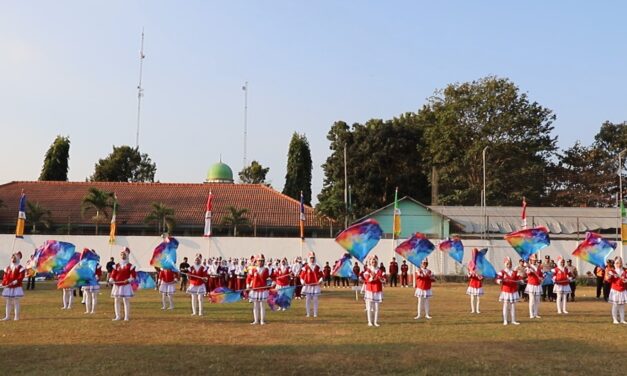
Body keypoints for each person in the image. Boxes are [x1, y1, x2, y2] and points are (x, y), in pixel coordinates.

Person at [108, 247, 137, 321]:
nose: (122, 256)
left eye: (124, 254)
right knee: (116, 300)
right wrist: (111, 279)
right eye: (121, 254)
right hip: (117, 285)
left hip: (125, 285)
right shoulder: (116, 265)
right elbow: (113, 274)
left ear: (127, 255)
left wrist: (128, 280)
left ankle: (126, 316)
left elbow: (133, 276)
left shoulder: (130, 266)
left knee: (126, 300)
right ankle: (118, 316)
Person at [246, 254, 272, 325]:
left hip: (263, 289)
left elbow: (269, 278)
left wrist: (270, 283)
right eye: (259, 261)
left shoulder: (266, 270)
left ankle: (262, 320)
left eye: (262, 261)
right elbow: (248, 278)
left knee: (262, 305)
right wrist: (248, 285)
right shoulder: (253, 270)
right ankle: (256, 320)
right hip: (255, 289)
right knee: (255, 305)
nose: (260, 262)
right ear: (256, 262)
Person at [496, 257, 521, 325]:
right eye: (507, 264)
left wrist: (520, 280)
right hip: (506, 291)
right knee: (506, 305)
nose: (509, 265)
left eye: (510, 264)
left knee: (513, 306)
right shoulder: (502, 272)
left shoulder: (514, 272)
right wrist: (500, 281)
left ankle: (513, 320)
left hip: (513, 290)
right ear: (505, 264)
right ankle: (505, 320)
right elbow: (498, 279)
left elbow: (519, 278)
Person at [2, 252, 25, 321]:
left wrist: (15, 281)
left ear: (18, 258)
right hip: (9, 287)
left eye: (15, 257)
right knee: (8, 302)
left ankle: (16, 317)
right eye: (12, 257)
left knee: (16, 302)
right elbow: (5, 277)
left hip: (16, 287)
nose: (13, 259)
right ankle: (7, 316)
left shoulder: (21, 268)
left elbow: (21, 277)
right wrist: (3, 283)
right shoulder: (8, 268)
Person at [363, 255, 385, 327]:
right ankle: (369, 322)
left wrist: (381, 279)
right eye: (372, 261)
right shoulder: (367, 271)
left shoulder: (380, 270)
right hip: (370, 290)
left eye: (375, 261)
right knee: (369, 307)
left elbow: (384, 279)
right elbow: (367, 280)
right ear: (370, 262)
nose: (374, 262)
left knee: (376, 308)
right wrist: (372, 277)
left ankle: (375, 322)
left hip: (377, 290)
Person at [300, 251, 323, 318]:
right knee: (308, 300)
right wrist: (302, 282)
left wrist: (320, 280)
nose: (312, 259)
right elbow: (301, 276)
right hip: (308, 286)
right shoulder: (306, 267)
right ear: (309, 258)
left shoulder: (317, 267)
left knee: (315, 300)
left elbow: (321, 276)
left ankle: (315, 313)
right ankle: (308, 313)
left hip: (315, 286)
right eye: (311, 258)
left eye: (313, 258)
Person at [606, 256, 627, 324]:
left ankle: (622, 319)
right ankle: (615, 319)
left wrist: (625, 280)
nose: (619, 264)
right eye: (617, 263)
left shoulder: (624, 272)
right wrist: (610, 276)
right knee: (615, 305)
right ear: (615, 263)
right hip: (615, 290)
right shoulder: (612, 271)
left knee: (622, 305)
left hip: (622, 290)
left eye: (620, 263)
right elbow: (608, 280)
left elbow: (625, 280)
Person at [525, 254, 544, 319]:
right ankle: (531, 314)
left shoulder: (538, 267)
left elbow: (541, 275)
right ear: (531, 260)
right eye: (533, 260)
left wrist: (541, 278)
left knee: (537, 300)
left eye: (535, 260)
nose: (534, 261)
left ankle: (536, 313)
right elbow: (528, 274)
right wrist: (530, 270)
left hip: (538, 285)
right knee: (532, 300)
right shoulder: (529, 267)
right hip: (531, 285)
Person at [466, 250, 484, 314]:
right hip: (473, 283)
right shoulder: (470, 263)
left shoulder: (480, 264)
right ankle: (473, 310)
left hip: (478, 284)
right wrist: (470, 274)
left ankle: (477, 310)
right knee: (472, 298)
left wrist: (479, 275)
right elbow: (469, 274)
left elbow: (482, 275)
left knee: (478, 298)